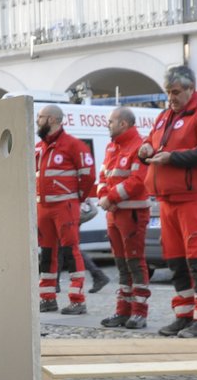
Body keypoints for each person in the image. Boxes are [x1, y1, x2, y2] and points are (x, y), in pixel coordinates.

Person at [137, 65, 197, 338]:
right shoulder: (165, 116)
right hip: (168, 200)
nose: (171, 97)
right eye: (168, 92)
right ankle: (184, 314)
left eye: (175, 92)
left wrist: (171, 158)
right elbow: (152, 142)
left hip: (196, 199)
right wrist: (145, 149)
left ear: (191, 89)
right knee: (175, 260)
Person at [34, 104, 96, 315]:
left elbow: (88, 176)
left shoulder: (73, 145)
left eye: (40, 117)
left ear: (52, 119)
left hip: (65, 206)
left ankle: (77, 300)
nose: (37, 121)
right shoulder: (39, 147)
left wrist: (78, 198)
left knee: (71, 252)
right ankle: (47, 298)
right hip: (43, 207)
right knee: (47, 253)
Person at [96, 106, 153, 329]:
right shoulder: (111, 147)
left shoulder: (139, 147)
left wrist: (109, 197)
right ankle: (123, 310)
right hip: (115, 213)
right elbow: (103, 175)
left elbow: (138, 180)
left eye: (111, 121)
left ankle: (139, 312)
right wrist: (103, 195)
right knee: (121, 264)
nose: (108, 125)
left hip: (132, 213)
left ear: (123, 124)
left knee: (135, 262)